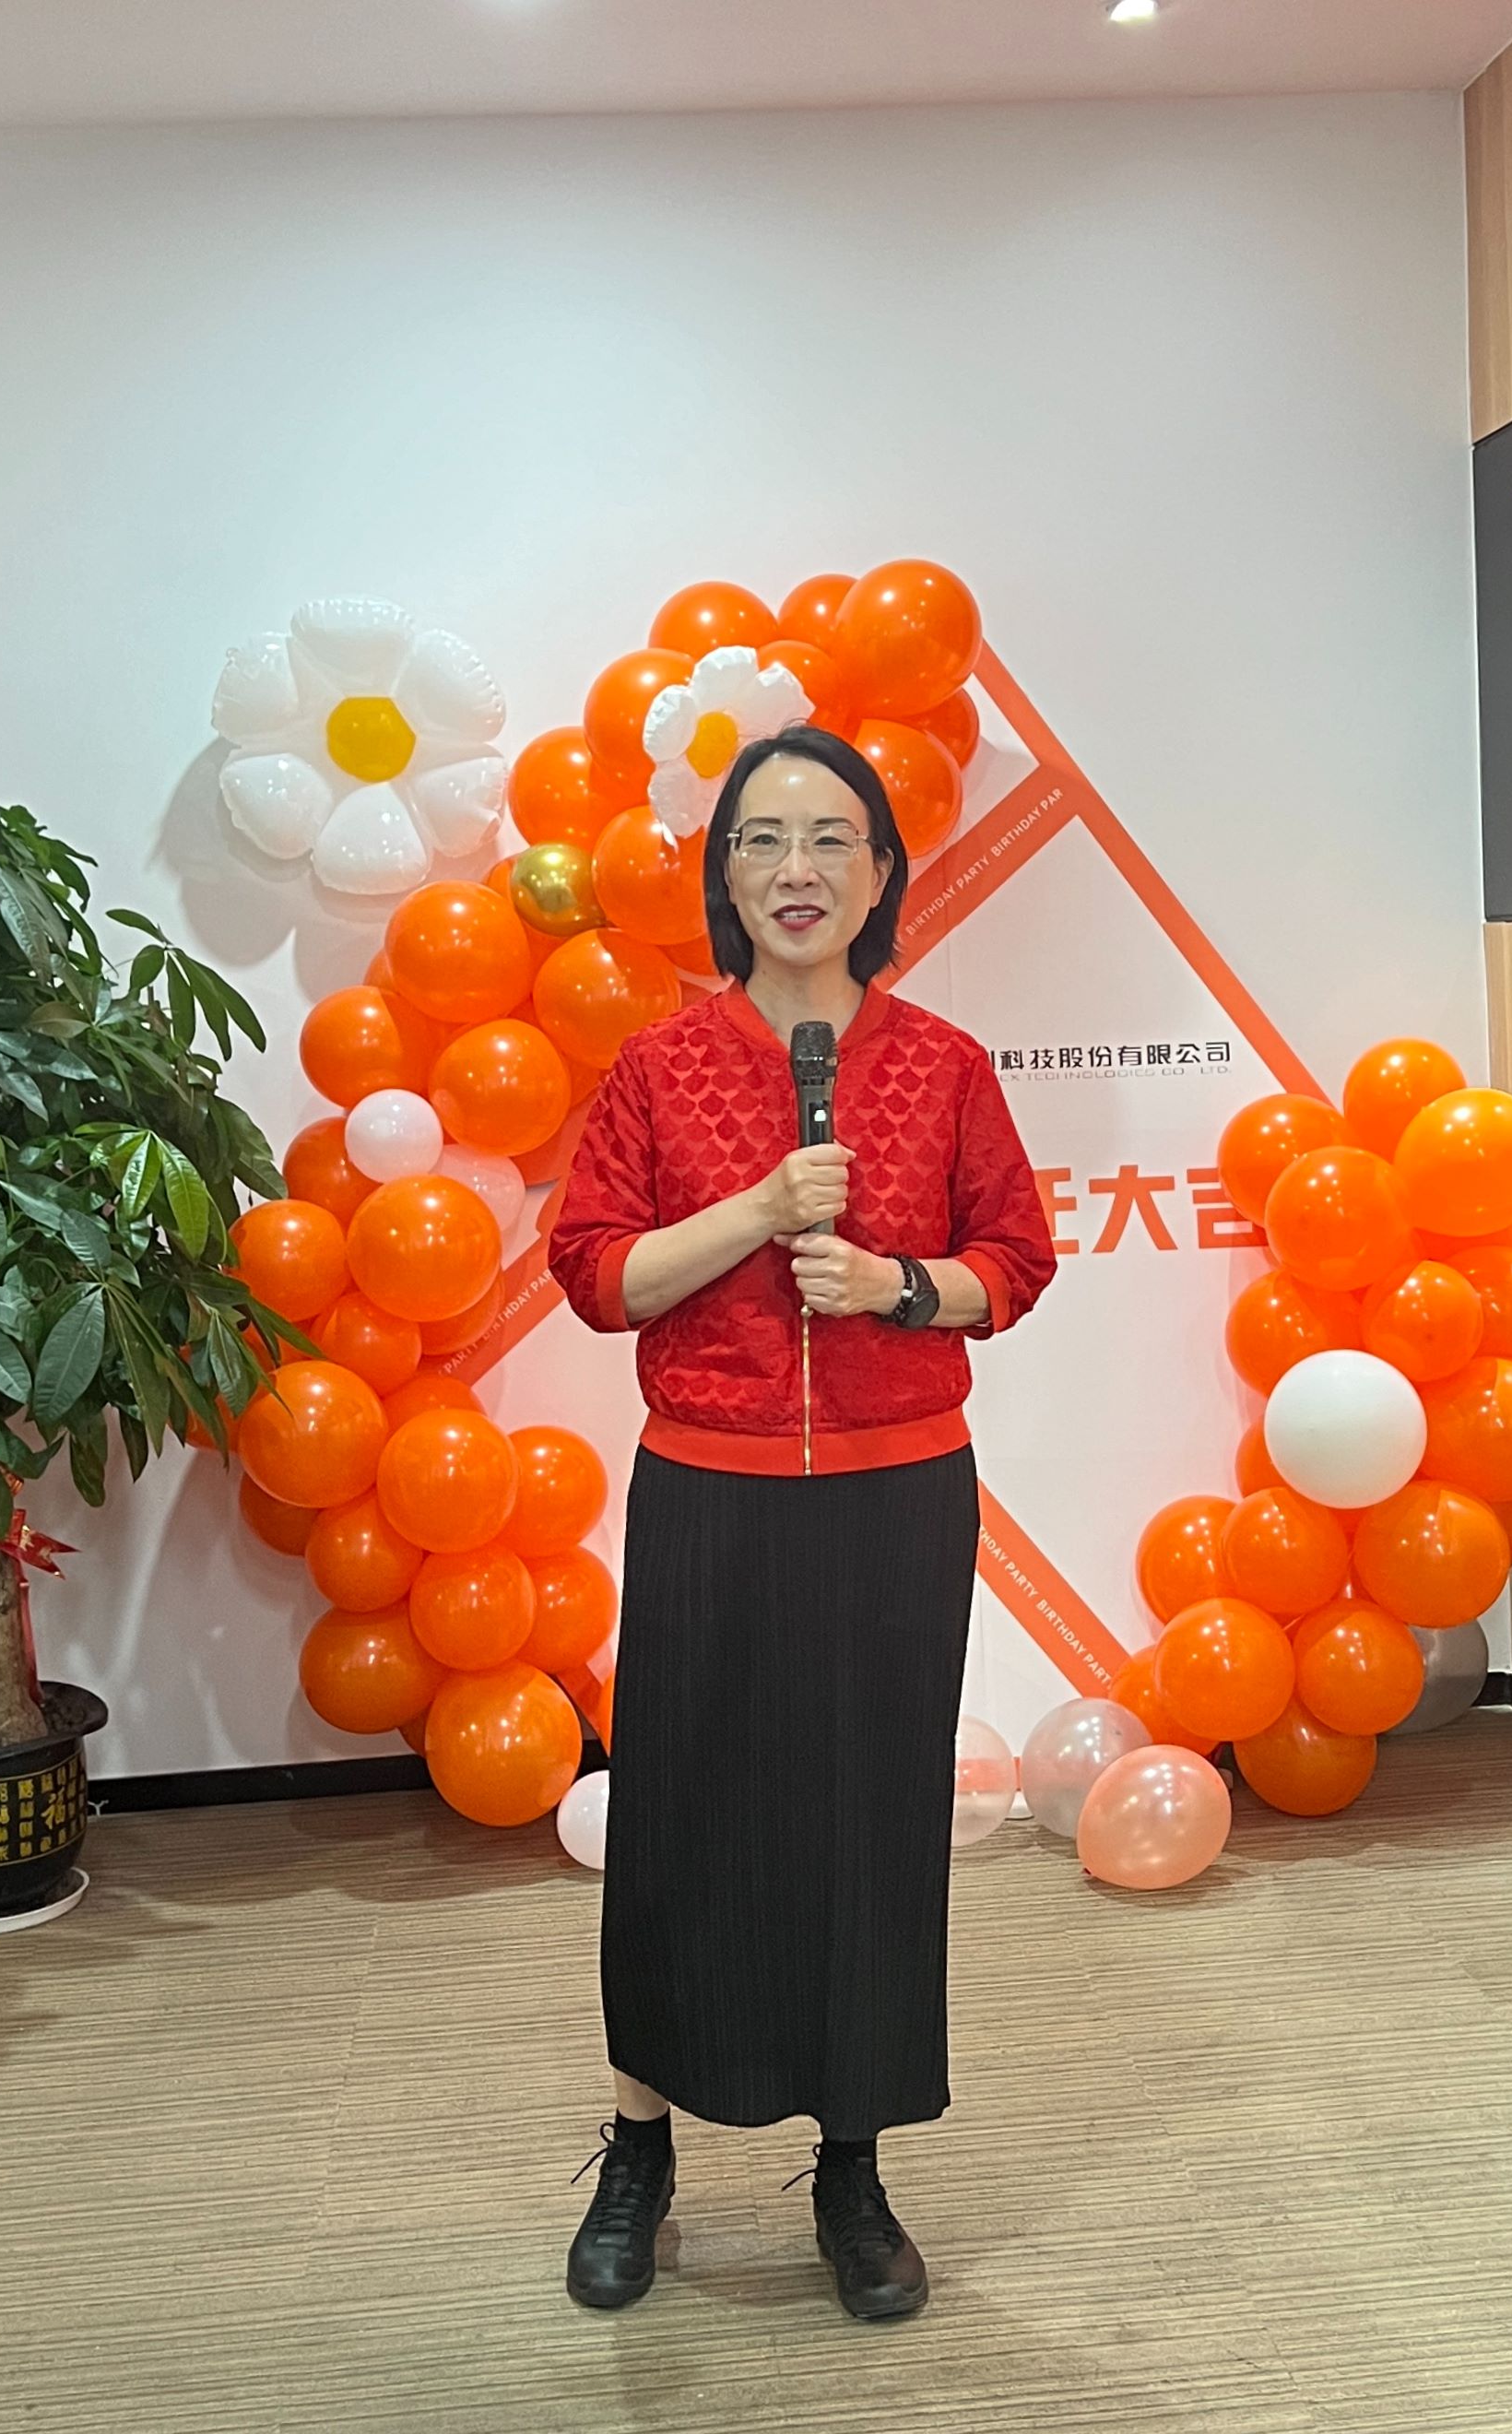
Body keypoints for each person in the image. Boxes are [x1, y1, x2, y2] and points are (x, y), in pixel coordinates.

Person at [544, 724, 1057, 2323]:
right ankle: (641, 2147)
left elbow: (1015, 1263)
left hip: (899, 1496)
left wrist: (899, 1286)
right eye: (762, 839)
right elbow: (596, 1275)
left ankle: (852, 2162)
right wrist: (758, 1215)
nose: (797, 870)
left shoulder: (945, 1065)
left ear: (882, 872)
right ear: (723, 874)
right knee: (679, 1821)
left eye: (832, 838)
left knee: (870, 1825)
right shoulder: (659, 1067)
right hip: (713, 1487)